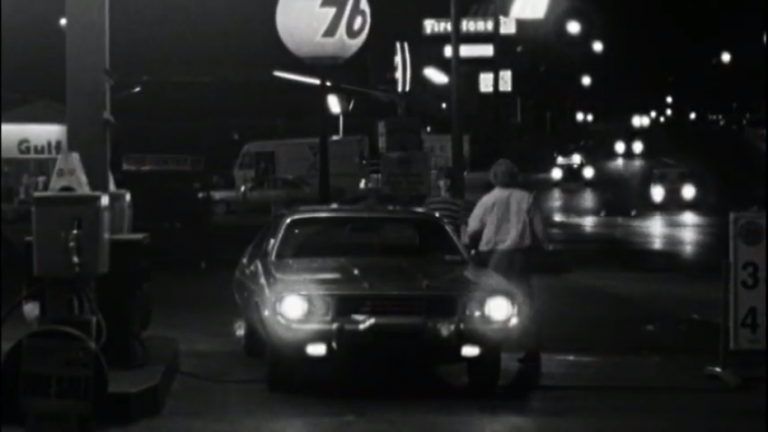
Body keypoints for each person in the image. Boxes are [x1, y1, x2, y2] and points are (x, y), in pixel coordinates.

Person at [466, 159, 552, 368]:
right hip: (519, 256)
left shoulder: (488, 199)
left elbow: (473, 228)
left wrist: (470, 246)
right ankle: (531, 348)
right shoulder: (527, 198)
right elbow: (540, 230)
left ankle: (491, 345)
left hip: (493, 257)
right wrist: (546, 248)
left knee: (490, 300)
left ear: (494, 177)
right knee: (525, 301)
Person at [424, 167, 468, 237]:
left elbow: (462, 227)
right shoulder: (430, 203)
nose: (444, 182)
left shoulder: (458, 204)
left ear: (452, 181)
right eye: (441, 179)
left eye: (447, 179)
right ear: (438, 182)